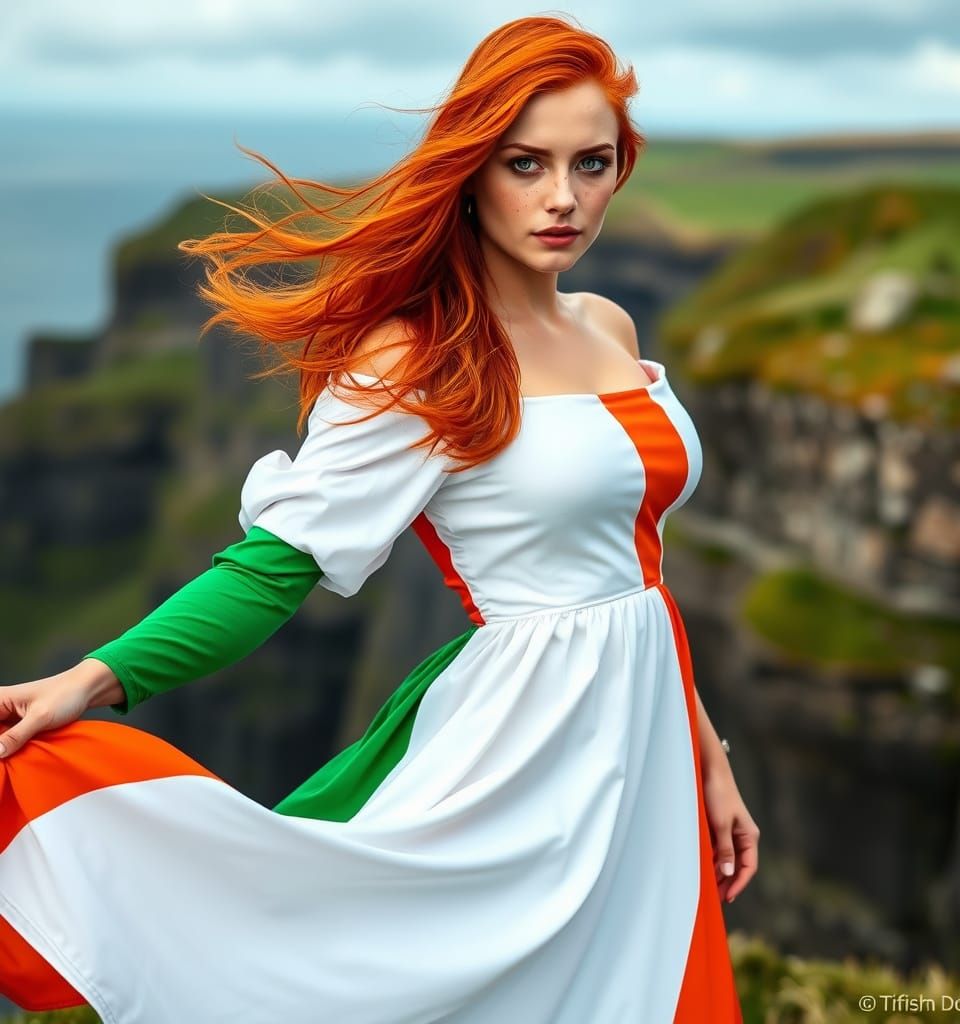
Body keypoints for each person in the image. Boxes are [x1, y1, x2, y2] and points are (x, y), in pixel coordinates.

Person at [0, 13, 758, 1022]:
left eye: (592, 163)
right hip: (523, 761)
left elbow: (636, 574)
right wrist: (91, 679)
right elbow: (274, 568)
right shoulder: (417, 360)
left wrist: (704, 752)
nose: (562, 198)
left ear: (624, 167)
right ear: (471, 170)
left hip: (646, 744)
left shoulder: (610, 327)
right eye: (524, 164)